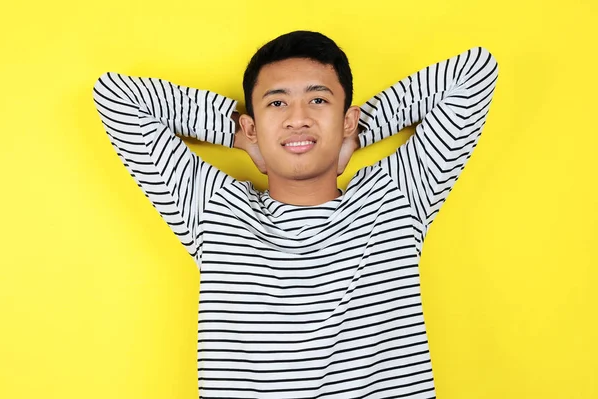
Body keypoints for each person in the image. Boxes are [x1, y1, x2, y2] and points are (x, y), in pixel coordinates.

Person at [92, 30, 498, 399]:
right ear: (253, 126)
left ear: (347, 117)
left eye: (318, 100)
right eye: (277, 103)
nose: (298, 117)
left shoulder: (395, 197)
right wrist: (244, 137)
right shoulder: (215, 212)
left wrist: (350, 136)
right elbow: (116, 96)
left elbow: (474, 72)